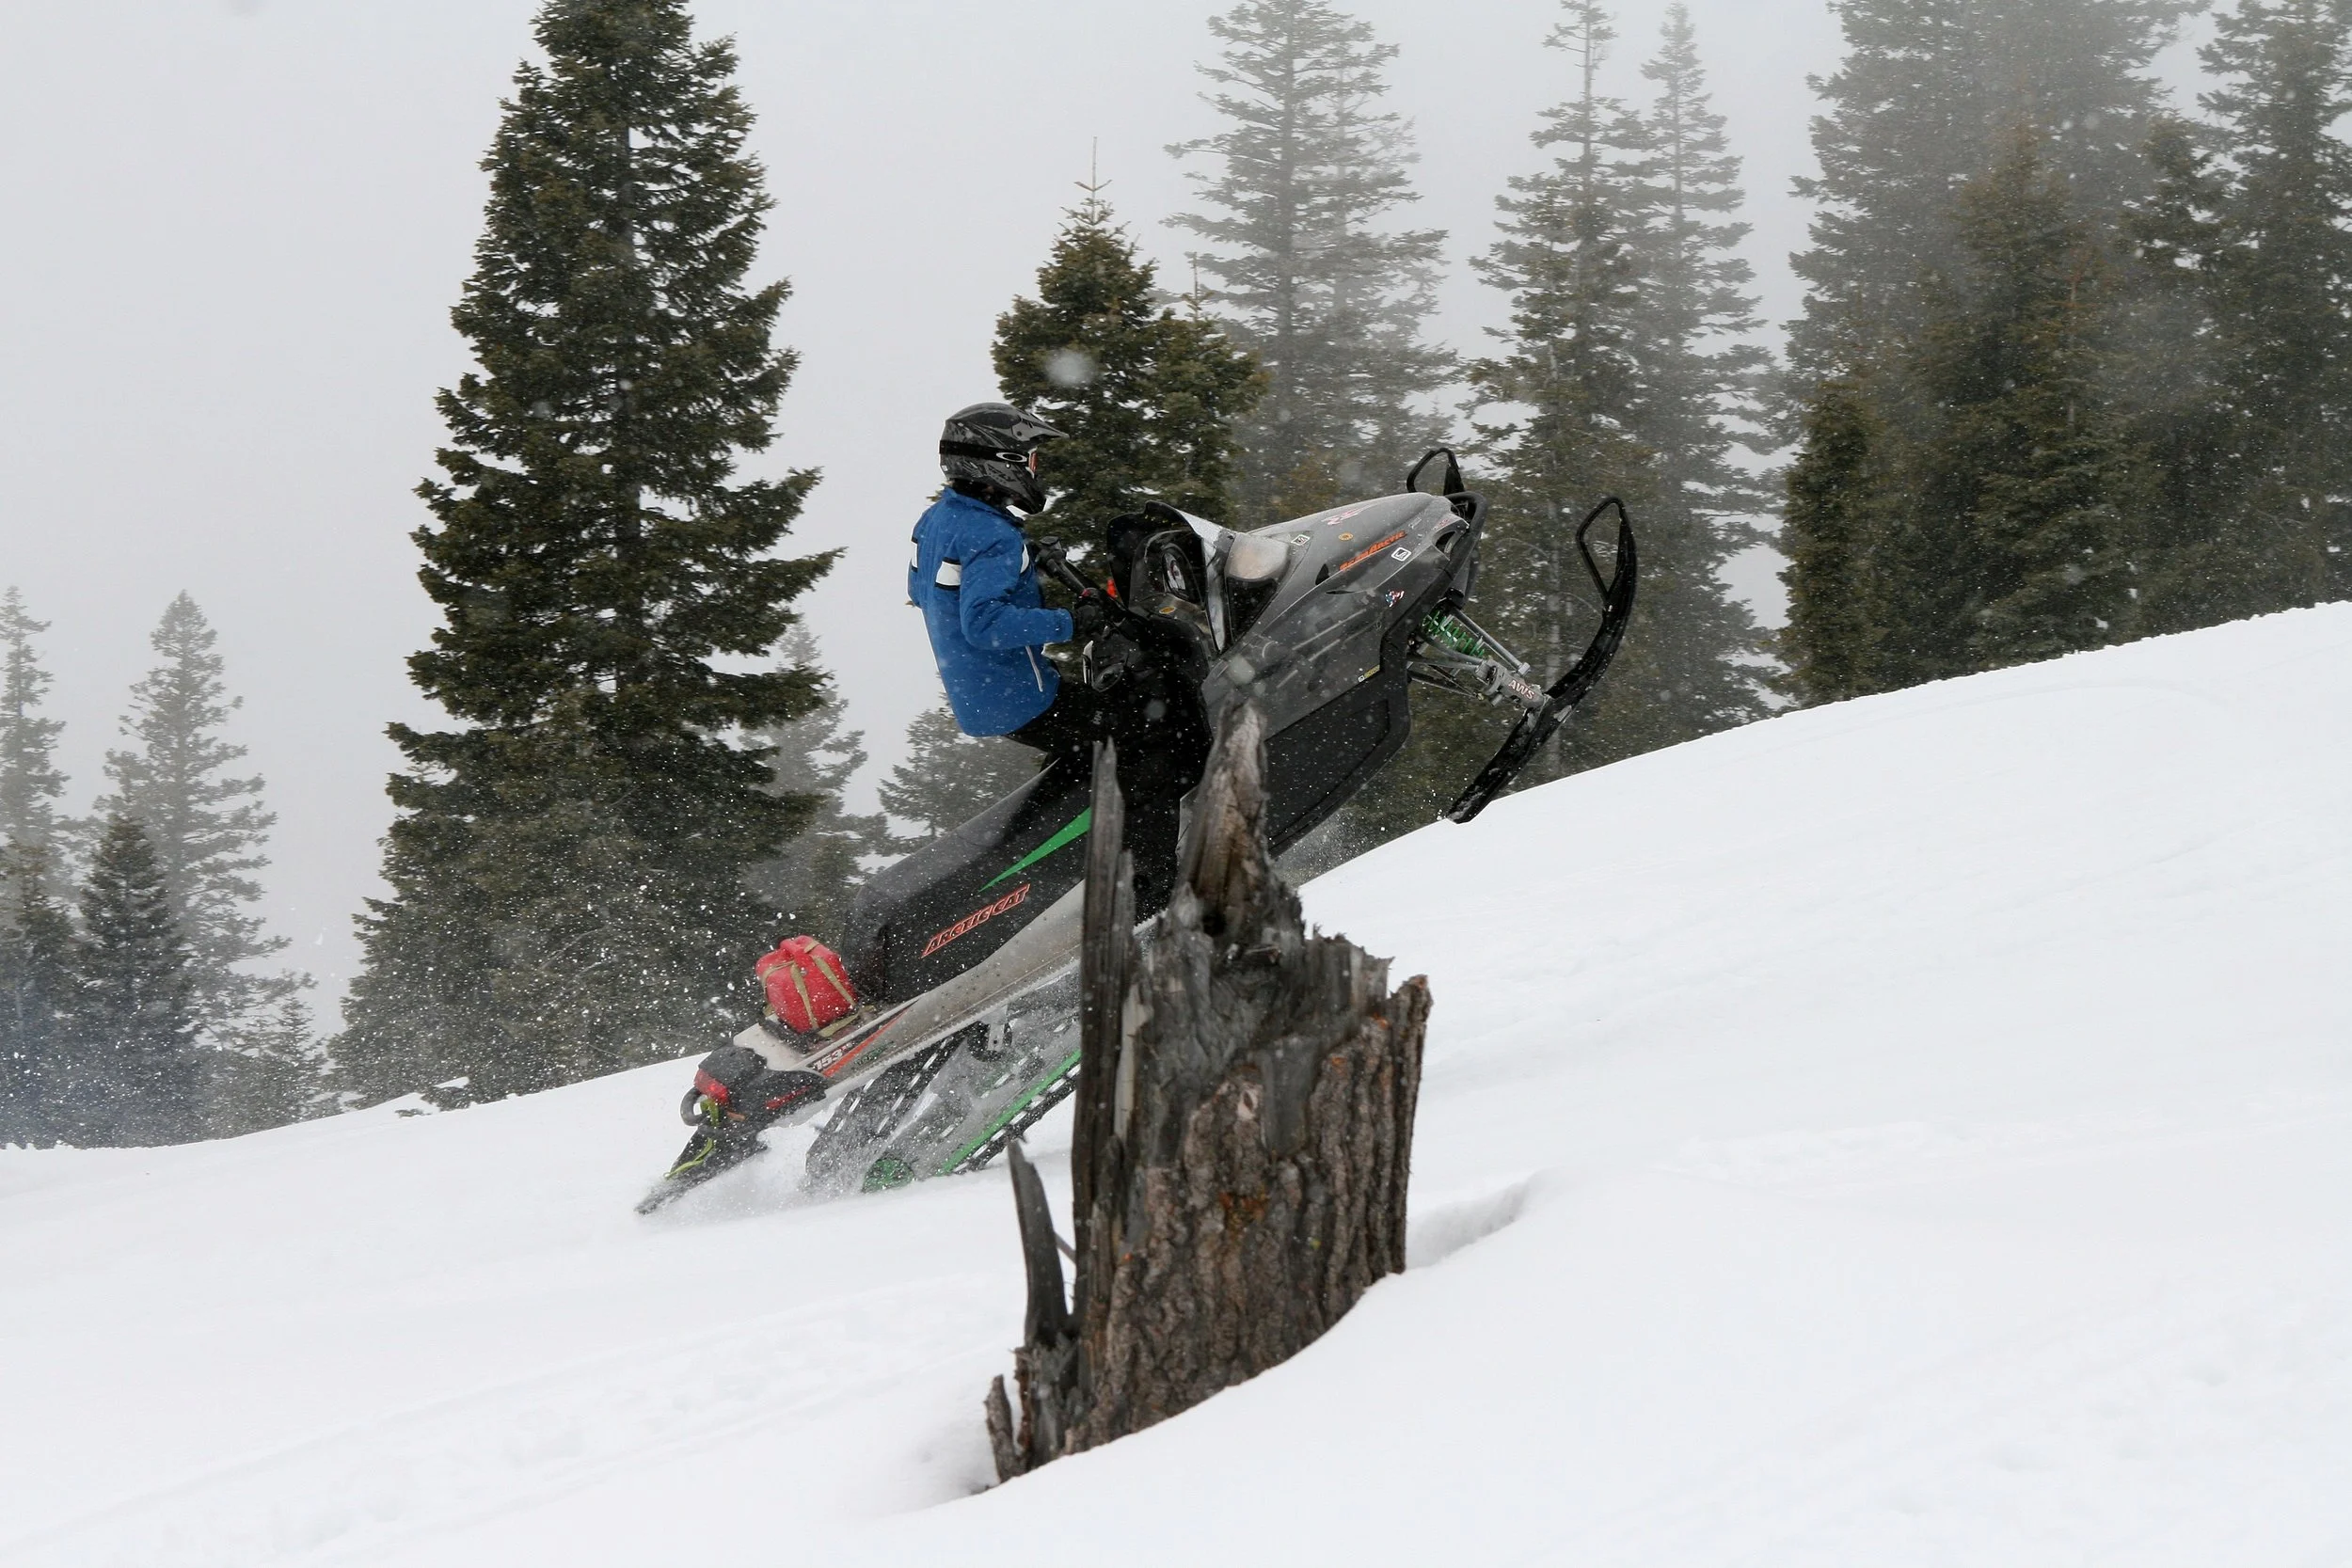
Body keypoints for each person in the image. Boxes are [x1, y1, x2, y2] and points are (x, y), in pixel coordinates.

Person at [911, 402, 1120, 762]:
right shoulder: (993, 535)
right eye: (1031, 460)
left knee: (1084, 753)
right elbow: (984, 624)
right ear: (1004, 461)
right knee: (1135, 737)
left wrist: (1021, 566)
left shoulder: (936, 520)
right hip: (1021, 696)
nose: (1034, 471)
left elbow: (922, 592)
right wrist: (1073, 621)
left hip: (980, 698)